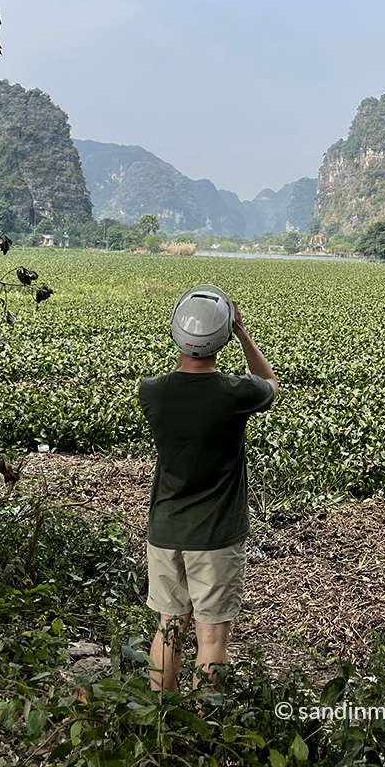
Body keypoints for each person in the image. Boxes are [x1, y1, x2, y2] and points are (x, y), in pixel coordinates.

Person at [138, 284, 277, 693]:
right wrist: (242, 333)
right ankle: (203, 728)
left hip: (165, 531)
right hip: (216, 536)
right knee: (212, 637)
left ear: (176, 331)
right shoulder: (238, 394)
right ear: (221, 336)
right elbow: (268, 380)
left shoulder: (153, 392)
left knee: (168, 628)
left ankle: (158, 720)